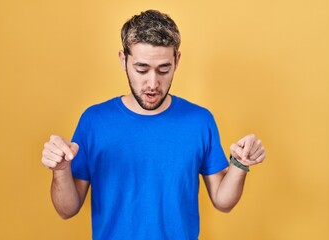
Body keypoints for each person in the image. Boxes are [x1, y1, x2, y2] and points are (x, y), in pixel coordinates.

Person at [41, 9, 266, 240]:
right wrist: (60, 171)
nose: (152, 83)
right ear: (123, 60)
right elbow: (67, 209)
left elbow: (223, 201)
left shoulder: (200, 121)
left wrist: (239, 165)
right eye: (141, 69)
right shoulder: (94, 121)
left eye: (163, 69)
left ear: (177, 61)